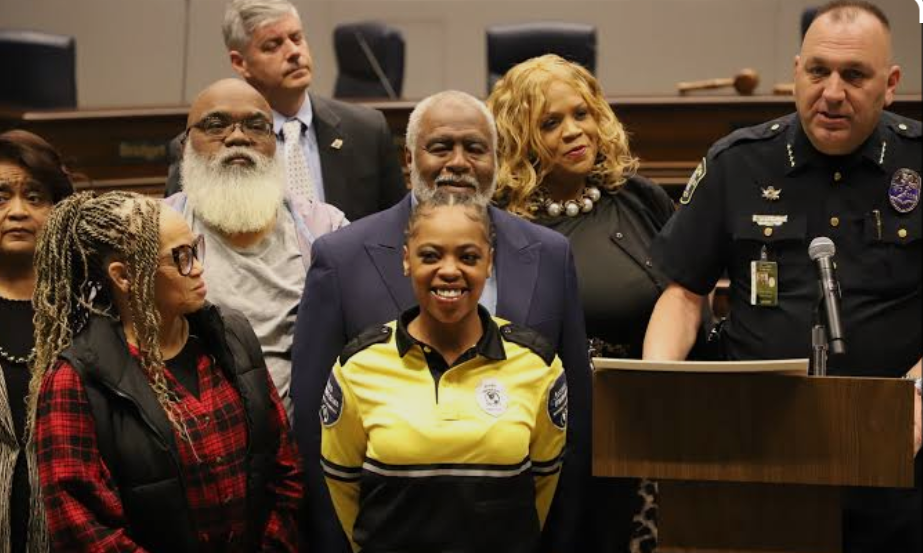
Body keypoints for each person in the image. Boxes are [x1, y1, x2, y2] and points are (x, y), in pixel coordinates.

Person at [643, 2, 921, 551]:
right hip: (757, 444)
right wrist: (659, 382)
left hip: (898, 453)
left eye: (854, 75)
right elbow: (684, 293)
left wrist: (918, 395)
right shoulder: (739, 162)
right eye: (818, 71)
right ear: (796, 72)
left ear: (890, 85)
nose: (832, 93)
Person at [291, 90, 590, 553]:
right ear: (409, 159)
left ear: (496, 161)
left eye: (475, 148)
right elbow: (316, 428)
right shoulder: (342, 257)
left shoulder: (550, 254)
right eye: (441, 147)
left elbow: (573, 426)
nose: (458, 162)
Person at [31, 192, 303, 552]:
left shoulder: (231, 336)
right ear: (124, 276)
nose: (198, 268)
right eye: (181, 257)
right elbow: (82, 528)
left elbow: (284, 466)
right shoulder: (76, 379)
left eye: (195, 249)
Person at [488, 53, 683, 553]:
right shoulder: (500, 222)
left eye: (582, 114)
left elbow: (688, 289)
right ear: (518, 137)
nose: (574, 131)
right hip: (547, 432)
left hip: (642, 420)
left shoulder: (640, 198)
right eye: (550, 123)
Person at [321, 190, 567, 553]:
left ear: (489, 263)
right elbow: (343, 486)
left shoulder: (538, 365)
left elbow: (543, 487)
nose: (450, 270)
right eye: (430, 256)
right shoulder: (357, 366)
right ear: (406, 260)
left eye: (468, 257)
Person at [166, 78, 346, 417]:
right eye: (216, 125)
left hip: (303, 434)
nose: (237, 138)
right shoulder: (155, 231)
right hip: (193, 435)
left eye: (256, 126)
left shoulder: (326, 230)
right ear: (185, 145)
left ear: (274, 143)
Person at [165, 0, 406, 222]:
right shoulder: (200, 147)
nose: (293, 52)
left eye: (297, 38)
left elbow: (399, 226)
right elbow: (180, 230)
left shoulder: (367, 130)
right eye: (273, 45)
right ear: (240, 62)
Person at [0, 130, 74, 553]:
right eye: (1, 197)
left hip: (73, 525)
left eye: (34, 197)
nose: (17, 211)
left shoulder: (91, 307)